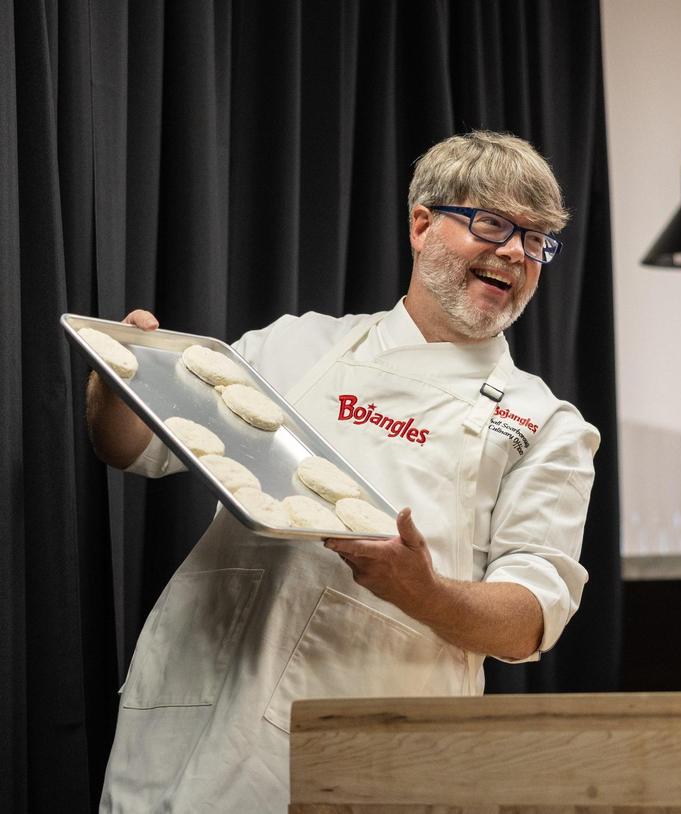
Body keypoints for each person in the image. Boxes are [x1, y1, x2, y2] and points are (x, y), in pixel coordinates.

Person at [86, 131, 600, 812]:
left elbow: (532, 618)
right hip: (189, 713)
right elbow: (133, 449)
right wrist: (122, 376)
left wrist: (423, 591)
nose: (515, 252)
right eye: (493, 223)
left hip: (368, 750)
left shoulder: (543, 423)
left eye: (536, 240)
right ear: (422, 224)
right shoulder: (296, 345)